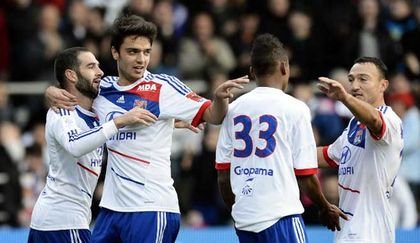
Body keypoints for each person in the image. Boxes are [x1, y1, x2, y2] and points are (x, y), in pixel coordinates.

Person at [46, 15, 249, 243]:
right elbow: (72, 86)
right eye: (133, 51)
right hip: (111, 210)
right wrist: (51, 91)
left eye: (146, 52)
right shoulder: (103, 88)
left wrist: (220, 98)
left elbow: (214, 116)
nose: (141, 59)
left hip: (151, 208)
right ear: (115, 52)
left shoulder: (163, 87)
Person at [215, 33, 347, 243]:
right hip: (280, 216)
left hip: (245, 222)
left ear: (252, 72)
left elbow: (223, 176)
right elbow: (305, 175)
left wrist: (239, 211)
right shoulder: (296, 109)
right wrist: (325, 207)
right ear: (285, 67)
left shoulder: (233, 110)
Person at [29, 47, 157, 243]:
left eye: (98, 65)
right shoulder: (62, 111)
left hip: (65, 220)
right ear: (71, 75)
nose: (100, 72)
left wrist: (169, 122)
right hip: (62, 221)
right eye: (91, 66)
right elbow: (75, 145)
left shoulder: (98, 111)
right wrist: (119, 122)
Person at [316, 57, 404, 243]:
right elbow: (327, 155)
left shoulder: (390, 119)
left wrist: (344, 98)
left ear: (383, 85)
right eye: (351, 80)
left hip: (370, 232)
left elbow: (375, 121)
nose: (354, 86)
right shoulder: (354, 124)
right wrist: (279, 152)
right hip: (348, 229)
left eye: (363, 79)